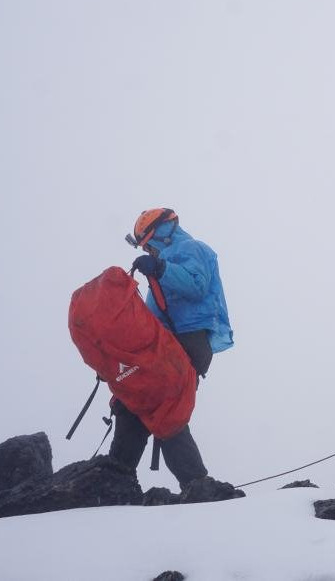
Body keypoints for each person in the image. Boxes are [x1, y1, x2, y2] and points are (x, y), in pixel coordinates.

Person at [112, 207, 234, 489]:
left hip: (188, 338)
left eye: (148, 242)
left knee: (162, 404)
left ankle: (189, 481)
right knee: (140, 402)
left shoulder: (192, 248)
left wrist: (162, 269)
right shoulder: (165, 259)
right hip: (172, 341)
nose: (148, 249)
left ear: (162, 233)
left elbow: (197, 285)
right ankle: (120, 473)